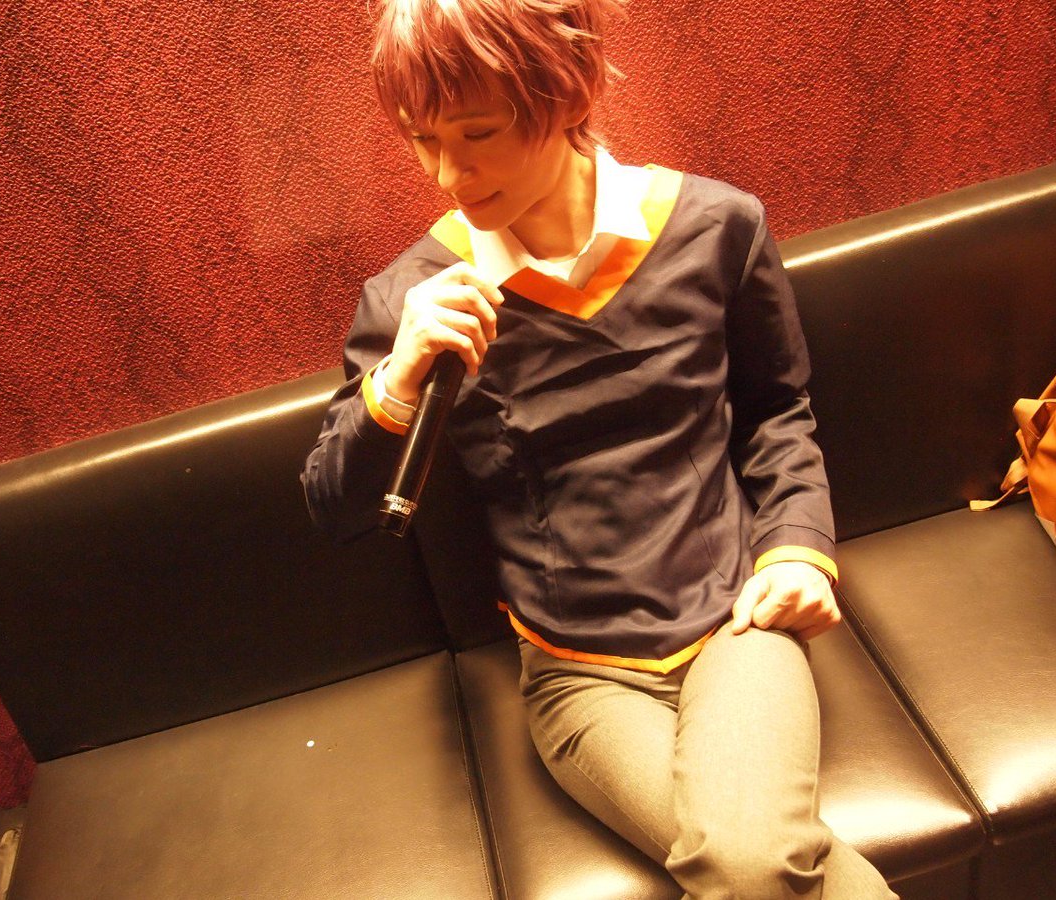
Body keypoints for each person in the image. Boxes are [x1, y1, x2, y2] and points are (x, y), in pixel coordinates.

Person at [301, 1, 897, 896]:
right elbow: (335, 507)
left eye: (477, 133)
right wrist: (399, 379)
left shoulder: (715, 226)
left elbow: (777, 409)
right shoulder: (416, 297)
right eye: (422, 140)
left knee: (748, 864)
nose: (449, 174)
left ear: (569, 90)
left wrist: (797, 547)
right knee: (755, 871)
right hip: (579, 675)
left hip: (738, 620)